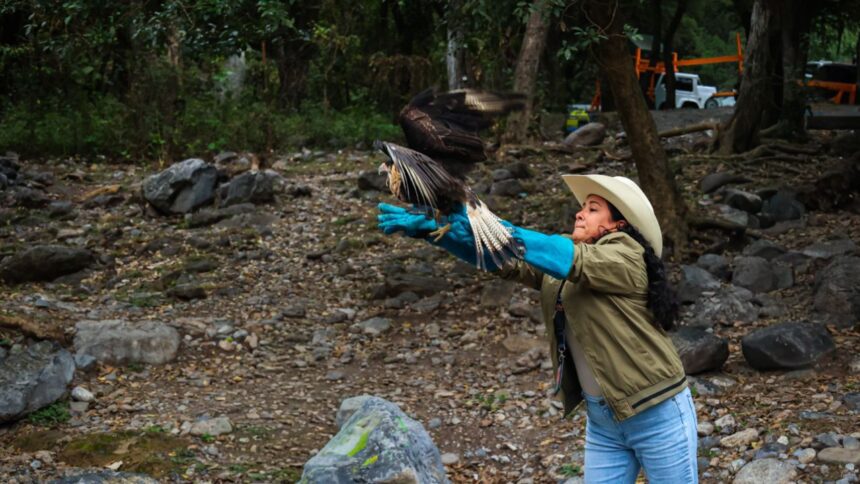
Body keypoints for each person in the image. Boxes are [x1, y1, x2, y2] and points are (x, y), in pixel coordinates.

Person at [377, 174, 698, 483]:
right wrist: (441, 233)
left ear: (618, 224)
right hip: (604, 421)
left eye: (592, 209)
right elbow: (506, 261)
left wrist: (484, 221)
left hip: (656, 413)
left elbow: (567, 258)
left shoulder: (627, 255)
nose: (579, 213)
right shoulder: (566, 257)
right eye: (582, 207)